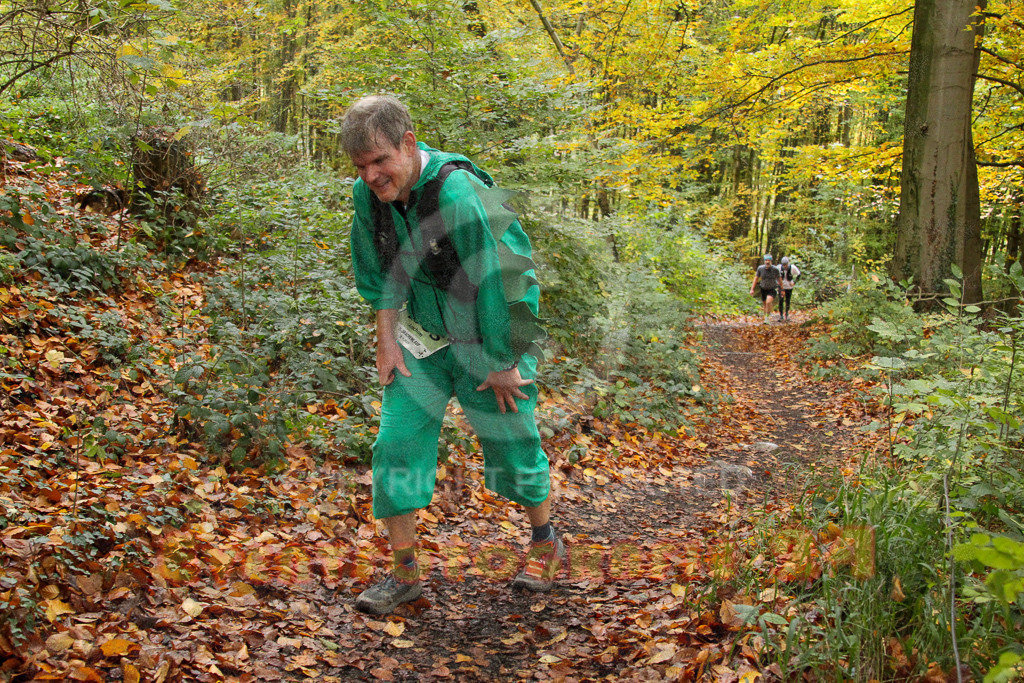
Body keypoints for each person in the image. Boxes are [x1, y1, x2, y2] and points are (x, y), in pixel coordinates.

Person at [343, 95, 563, 615]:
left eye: (380, 161)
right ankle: (405, 576)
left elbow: (504, 278)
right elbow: (379, 274)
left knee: (513, 441)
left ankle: (545, 543)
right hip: (422, 339)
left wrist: (505, 362)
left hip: (492, 336)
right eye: (361, 166)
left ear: (408, 144)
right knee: (395, 446)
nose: (372, 175)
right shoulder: (366, 196)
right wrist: (387, 339)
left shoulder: (458, 193)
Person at [750, 254, 781, 324]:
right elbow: (756, 278)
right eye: (766, 260)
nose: (767, 262)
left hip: (772, 288)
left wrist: (782, 289)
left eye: (769, 260)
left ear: (771, 261)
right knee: (765, 304)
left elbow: (779, 279)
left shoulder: (775, 269)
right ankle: (766, 316)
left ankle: (767, 318)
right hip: (763, 288)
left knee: (768, 302)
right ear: (764, 261)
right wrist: (752, 289)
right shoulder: (760, 268)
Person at [777, 256, 801, 321]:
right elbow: (775, 275)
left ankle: (787, 314)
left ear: (788, 263)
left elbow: (799, 274)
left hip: (789, 287)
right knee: (781, 300)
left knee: (788, 300)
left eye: (786, 265)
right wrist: (777, 282)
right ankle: (781, 315)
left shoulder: (792, 268)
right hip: (781, 287)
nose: (785, 266)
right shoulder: (779, 267)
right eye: (783, 265)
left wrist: (794, 282)